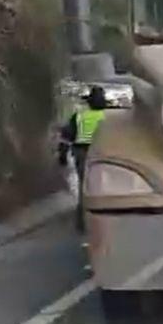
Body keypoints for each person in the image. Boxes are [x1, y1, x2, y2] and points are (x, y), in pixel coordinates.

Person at [61, 85, 108, 230]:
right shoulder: (108, 117)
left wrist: (62, 155)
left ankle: (82, 221)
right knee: (104, 186)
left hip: (82, 153)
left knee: (85, 186)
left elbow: (67, 136)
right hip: (102, 154)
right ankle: (103, 218)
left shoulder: (79, 116)